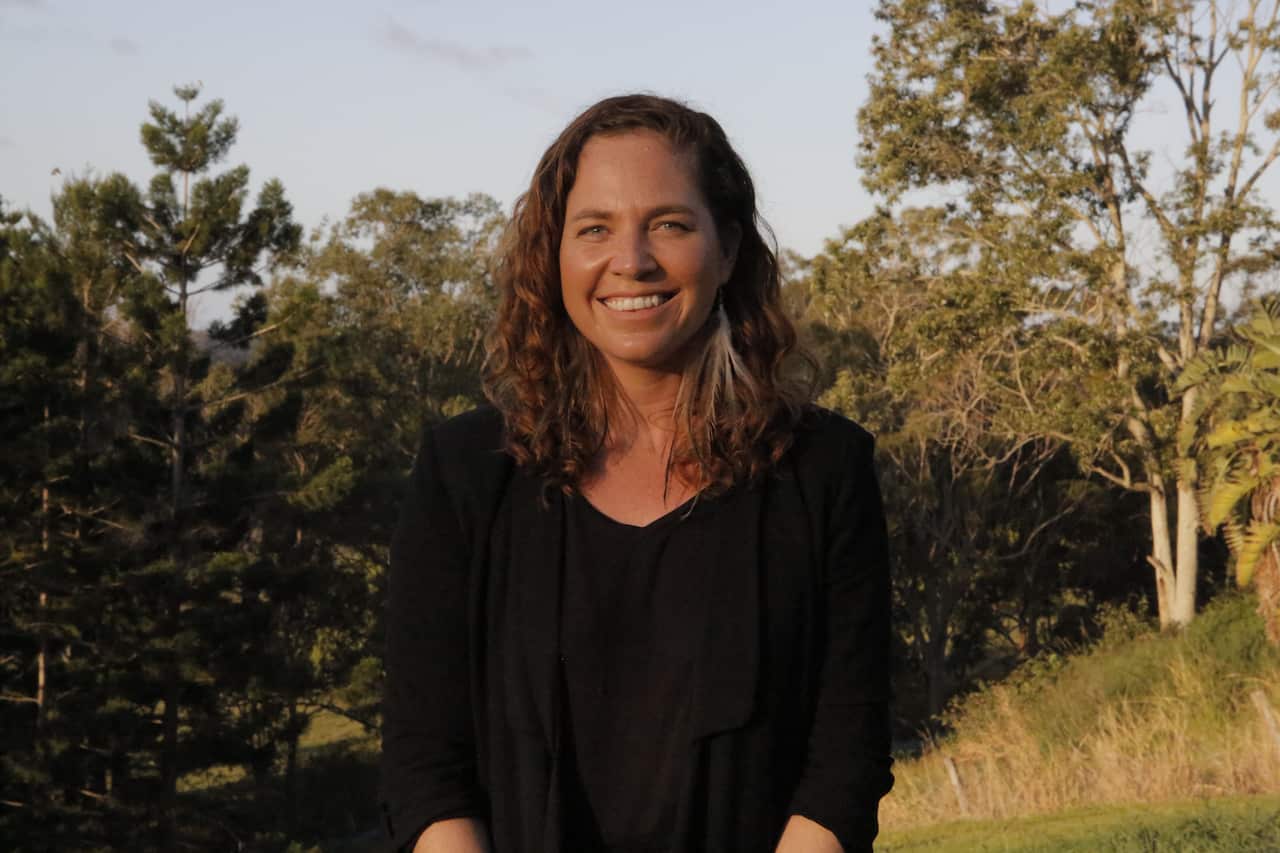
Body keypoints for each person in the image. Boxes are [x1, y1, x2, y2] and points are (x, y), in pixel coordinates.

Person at [379, 94, 893, 853]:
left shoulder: (824, 471)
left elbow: (842, 766)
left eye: (670, 224)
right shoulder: (463, 476)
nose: (632, 260)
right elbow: (426, 766)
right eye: (595, 229)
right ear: (555, 258)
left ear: (727, 250)